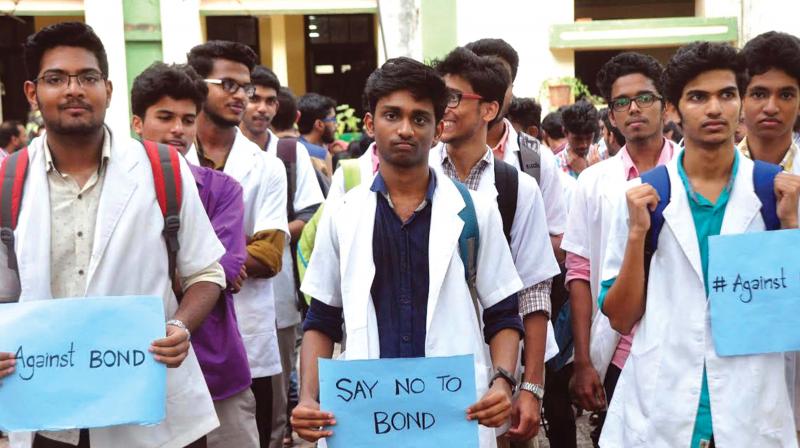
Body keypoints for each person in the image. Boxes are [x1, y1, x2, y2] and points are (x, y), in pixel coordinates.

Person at [0, 22, 226, 448]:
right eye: (55, 79)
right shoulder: (6, 182)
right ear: (32, 93)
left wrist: (180, 325)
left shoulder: (164, 169)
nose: (73, 90)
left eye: (87, 78)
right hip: (47, 416)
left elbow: (206, 272)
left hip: (153, 411)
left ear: (107, 88)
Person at [291, 57, 524, 448]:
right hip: (364, 419)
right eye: (392, 115)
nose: (405, 129)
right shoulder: (343, 214)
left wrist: (502, 383)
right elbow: (322, 318)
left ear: (436, 132)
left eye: (419, 119)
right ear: (370, 125)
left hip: (452, 417)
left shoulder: (475, 211)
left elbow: (503, 313)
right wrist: (309, 398)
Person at [600, 41, 800, 447]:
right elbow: (620, 318)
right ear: (673, 108)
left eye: (726, 95)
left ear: (741, 103)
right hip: (663, 413)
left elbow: (789, 320)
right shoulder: (646, 196)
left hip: (750, 414)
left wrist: (791, 228)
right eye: (698, 97)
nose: (714, 109)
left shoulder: (775, 195)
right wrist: (638, 233)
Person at [432, 47, 560, 444]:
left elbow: (535, 292)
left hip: (498, 365)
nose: (443, 109)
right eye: (439, 99)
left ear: (488, 110)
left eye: (454, 98)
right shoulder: (418, 176)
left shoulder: (516, 186)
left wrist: (530, 387)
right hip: (431, 366)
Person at [130, 61, 258, 448]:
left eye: (188, 119)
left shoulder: (221, 189)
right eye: (165, 117)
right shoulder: (117, 192)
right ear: (137, 123)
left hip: (214, 366)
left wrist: (188, 275)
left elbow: (225, 267)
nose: (178, 130)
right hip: (133, 367)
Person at [562, 52, 677, 447]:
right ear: (611, 116)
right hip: (617, 352)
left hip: (680, 346)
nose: (634, 109)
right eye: (621, 103)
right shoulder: (593, 183)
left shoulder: (691, 173)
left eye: (645, 98)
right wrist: (583, 360)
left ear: (666, 106)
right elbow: (578, 274)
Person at [186, 40, 289, 448]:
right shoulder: (168, 156)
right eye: (227, 84)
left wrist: (193, 262)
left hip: (246, 334)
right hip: (178, 334)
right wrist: (229, 253)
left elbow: (270, 252)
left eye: (244, 87)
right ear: (197, 84)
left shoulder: (267, 166)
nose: (241, 97)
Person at [239, 64, 324, 448]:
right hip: (216, 298)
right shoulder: (199, 153)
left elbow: (310, 215)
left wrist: (265, 241)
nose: (262, 108)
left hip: (278, 294)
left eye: (270, 100)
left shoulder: (290, 153)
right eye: (254, 97)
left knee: (273, 402)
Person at [737, 30, 800, 436]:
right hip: (739, 363)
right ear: (740, 98)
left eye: (787, 94)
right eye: (759, 93)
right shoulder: (714, 176)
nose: (772, 106)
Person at [466, 38, 568, 263]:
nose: (489, 91)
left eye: (500, 81)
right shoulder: (435, 156)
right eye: (478, 81)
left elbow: (561, 244)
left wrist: (510, 244)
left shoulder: (536, 158)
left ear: (512, 89)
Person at [555, 101, 598, 178]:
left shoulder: (603, 158)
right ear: (565, 132)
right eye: (578, 139)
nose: (584, 145)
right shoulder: (555, 166)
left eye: (589, 138)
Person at [297, 93, 336, 178]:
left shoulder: (291, 146)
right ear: (319, 124)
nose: (336, 125)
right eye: (333, 119)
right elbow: (328, 190)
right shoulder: (322, 155)